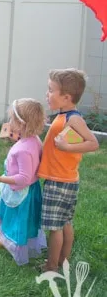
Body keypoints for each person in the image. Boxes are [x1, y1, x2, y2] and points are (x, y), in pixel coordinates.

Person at [37, 68, 99, 272]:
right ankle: (63, 260)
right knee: (65, 223)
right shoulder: (63, 116)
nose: (47, 94)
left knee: (55, 227)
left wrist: (67, 147)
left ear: (66, 97)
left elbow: (93, 143)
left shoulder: (73, 118)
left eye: (50, 90)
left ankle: (52, 266)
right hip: (65, 180)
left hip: (59, 182)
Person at [0, 98, 47, 266]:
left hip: (21, 193)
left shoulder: (23, 150)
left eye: (12, 119)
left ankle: (18, 249)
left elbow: (24, 178)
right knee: (21, 221)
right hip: (28, 190)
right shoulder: (33, 139)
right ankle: (14, 243)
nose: (9, 122)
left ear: (22, 123)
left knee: (17, 221)